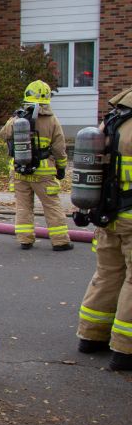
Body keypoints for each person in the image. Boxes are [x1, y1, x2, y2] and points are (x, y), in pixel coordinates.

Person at [75, 88, 132, 371]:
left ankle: (91, 335)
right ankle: (125, 349)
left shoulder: (112, 121)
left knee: (108, 273)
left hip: (107, 215)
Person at [0, 80, 72, 251]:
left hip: (19, 170)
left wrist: (14, 119)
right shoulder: (52, 120)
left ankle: (25, 239)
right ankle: (60, 241)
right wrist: (61, 167)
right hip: (43, 172)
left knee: (23, 206)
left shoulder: (19, 118)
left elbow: (3, 134)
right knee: (51, 206)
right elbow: (59, 148)